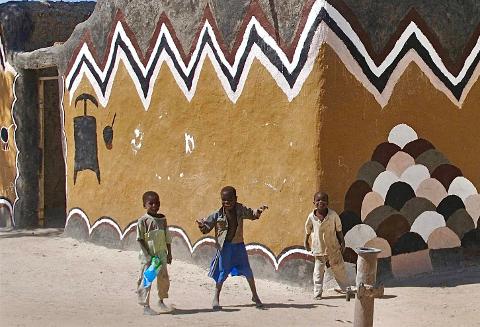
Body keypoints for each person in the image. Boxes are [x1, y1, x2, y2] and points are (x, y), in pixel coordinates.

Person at [196, 186, 268, 310]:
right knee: (222, 273)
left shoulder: (240, 209)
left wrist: (259, 211)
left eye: (230, 200)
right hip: (225, 248)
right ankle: (216, 298)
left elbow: (251, 214)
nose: (227, 203)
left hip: (239, 246)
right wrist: (202, 225)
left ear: (235, 199)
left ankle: (255, 296)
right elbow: (206, 228)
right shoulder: (217, 214)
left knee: (248, 271)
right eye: (224, 200)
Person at [304, 192, 350, 300]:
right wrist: (306, 242)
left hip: (333, 247)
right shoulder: (311, 217)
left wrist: (342, 242)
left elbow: (339, 230)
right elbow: (307, 230)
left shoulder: (333, 215)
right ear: (314, 202)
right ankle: (317, 293)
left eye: (324, 200)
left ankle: (347, 289)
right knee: (318, 271)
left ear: (328, 203)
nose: (321, 202)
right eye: (318, 200)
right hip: (318, 248)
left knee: (339, 268)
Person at [136, 191, 173, 315]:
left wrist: (169, 253)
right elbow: (140, 239)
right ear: (144, 205)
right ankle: (145, 306)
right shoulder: (143, 221)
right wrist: (147, 256)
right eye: (150, 203)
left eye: (156, 203)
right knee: (147, 279)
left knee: (163, 279)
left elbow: (167, 238)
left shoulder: (163, 220)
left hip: (161, 255)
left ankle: (161, 301)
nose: (154, 205)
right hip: (150, 257)